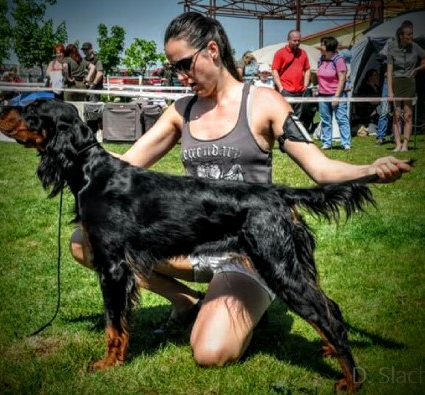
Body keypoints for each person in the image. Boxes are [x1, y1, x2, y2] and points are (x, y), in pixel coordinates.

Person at [70, 12, 411, 368]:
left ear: (212, 50)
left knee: (210, 352)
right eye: (175, 70)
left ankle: (257, 300)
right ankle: (186, 300)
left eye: (185, 65)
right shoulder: (180, 111)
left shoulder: (264, 102)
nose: (182, 77)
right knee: (85, 242)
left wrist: (368, 170)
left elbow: (321, 168)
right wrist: (70, 139)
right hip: (194, 249)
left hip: (248, 247)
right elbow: (124, 163)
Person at [386, 21, 425, 152]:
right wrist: (390, 91)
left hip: (409, 82)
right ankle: (398, 144)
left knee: (408, 115)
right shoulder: (391, 46)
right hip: (396, 81)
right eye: (408, 34)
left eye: (412, 34)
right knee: (396, 115)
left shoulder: (415, 47)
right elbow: (389, 71)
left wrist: (418, 69)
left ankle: (405, 145)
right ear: (401, 36)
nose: (411, 37)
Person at [316, 36, 352, 150]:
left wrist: (336, 97)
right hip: (322, 95)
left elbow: (342, 79)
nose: (320, 47)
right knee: (325, 120)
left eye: (322, 44)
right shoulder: (320, 59)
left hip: (336, 95)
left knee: (341, 119)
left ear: (328, 46)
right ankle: (327, 142)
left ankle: (346, 143)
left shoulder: (339, 60)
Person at [271, 30, 311, 118]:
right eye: (294, 40)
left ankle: (296, 131)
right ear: (288, 40)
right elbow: (275, 70)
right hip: (286, 91)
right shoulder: (280, 53)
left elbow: (307, 69)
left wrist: (305, 85)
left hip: (300, 91)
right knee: (285, 117)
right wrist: (281, 88)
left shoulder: (303, 53)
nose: (297, 43)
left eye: (299, 41)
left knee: (298, 118)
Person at [355, 68, 381, 135]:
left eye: (377, 75)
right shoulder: (364, 88)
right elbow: (371, 101)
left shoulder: (377, 87)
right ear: (370, 77)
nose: (377, 77)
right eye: (375, 75)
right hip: (367, 110)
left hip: (375, 108)